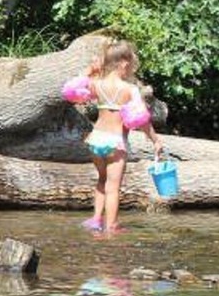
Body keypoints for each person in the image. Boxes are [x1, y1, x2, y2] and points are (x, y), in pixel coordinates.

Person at [66, 40, 164, 234]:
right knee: (113, 187)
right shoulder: (130, 90)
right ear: (124, 63)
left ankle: (96, 220)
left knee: (102, 180)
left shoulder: (97, 84)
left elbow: (72, 90)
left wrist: (89, 71)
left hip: (95, 140)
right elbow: (142, 120)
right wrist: (155, 139)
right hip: (115, 142)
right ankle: (111, 226)